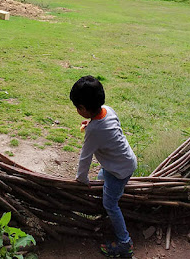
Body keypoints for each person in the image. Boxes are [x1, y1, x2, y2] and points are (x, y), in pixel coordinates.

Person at [71, 75, 137, 258]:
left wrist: (82, 180)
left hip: (119, 171)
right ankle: (107, 217)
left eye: (77, 107)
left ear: (83, 108)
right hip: (125, 160)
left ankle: (125, 243)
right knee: (103, 179)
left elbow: (85, 158)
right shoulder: (108, 110)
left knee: (110, 203)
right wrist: (91, 123)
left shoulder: (94, 131)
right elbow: (109, 129)